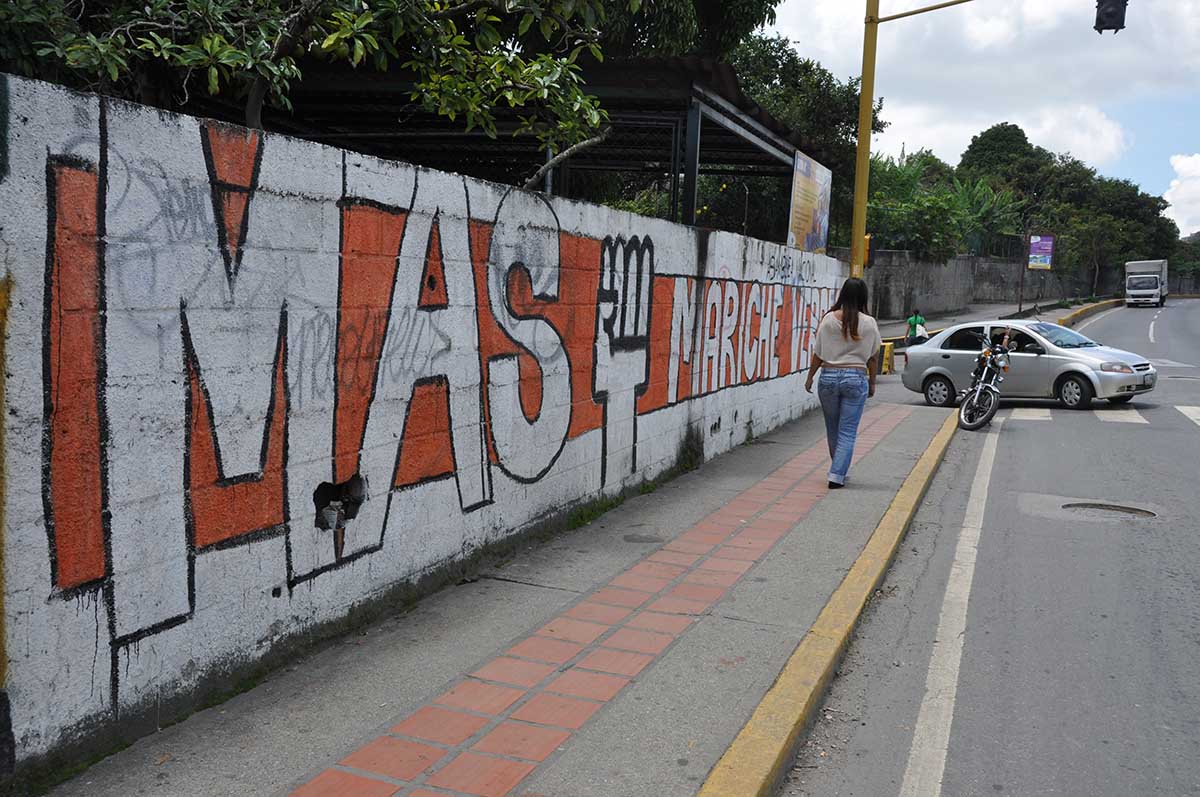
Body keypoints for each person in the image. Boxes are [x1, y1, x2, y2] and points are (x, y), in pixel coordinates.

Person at [804, 278, 882, 489]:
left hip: (828, 377)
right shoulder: (869, 323)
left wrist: (810, 377)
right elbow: (874, 357)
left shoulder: (828, 319)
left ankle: (837, 469)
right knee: (847, 430)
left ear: (843, 294)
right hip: (855, 378)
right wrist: (872, 383)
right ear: (863, 297)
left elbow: (818, 353)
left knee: (833, 428)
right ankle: (837, 474)